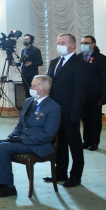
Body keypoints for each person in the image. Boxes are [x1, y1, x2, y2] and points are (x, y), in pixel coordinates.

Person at [0, 75, 61, 198]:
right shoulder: (29, 101)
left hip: (38, 145)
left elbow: (48, 135)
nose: (31, 87)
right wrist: (13, 134)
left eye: (34, 85)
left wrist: (22, 140)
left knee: (3, 147)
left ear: (43, 89)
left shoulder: (53, 107)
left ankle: (8, 186)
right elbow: (21, 124)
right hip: (23, 140)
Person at [44, 33, 86, 187]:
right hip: (55, 112)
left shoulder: (79, 64)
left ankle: (75, 176)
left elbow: (80, 92)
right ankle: (60, 172)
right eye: (58, 42)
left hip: (70, 112)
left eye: (63, 42)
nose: (59, 45)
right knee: (59, 143)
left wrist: (76, 114)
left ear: (72, 45)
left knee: (74, 145)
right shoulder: (54, 62)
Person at [80, 36, 106, 151]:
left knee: (95, 119)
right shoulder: (78, 57)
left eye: (86, 43)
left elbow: (104, 78)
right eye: (82, 42)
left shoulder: (100, 58)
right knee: (85, 118)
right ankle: (86, 140)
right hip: (82, 95)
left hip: (95, 95)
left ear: (93, 44)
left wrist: (104, 95)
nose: (84, 45)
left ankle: (94, 142)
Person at [16, 34, 43, 98]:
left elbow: (40, 62)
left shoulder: (35, 50)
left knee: (33, 92)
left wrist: (31, 63)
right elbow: (23, 63)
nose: (25, 41)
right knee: (27, 93)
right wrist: (16, 64)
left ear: (31, 40)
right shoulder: (23, 51)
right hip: (24, 75)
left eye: (27, 39)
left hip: (32, 75)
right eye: (24, 39)